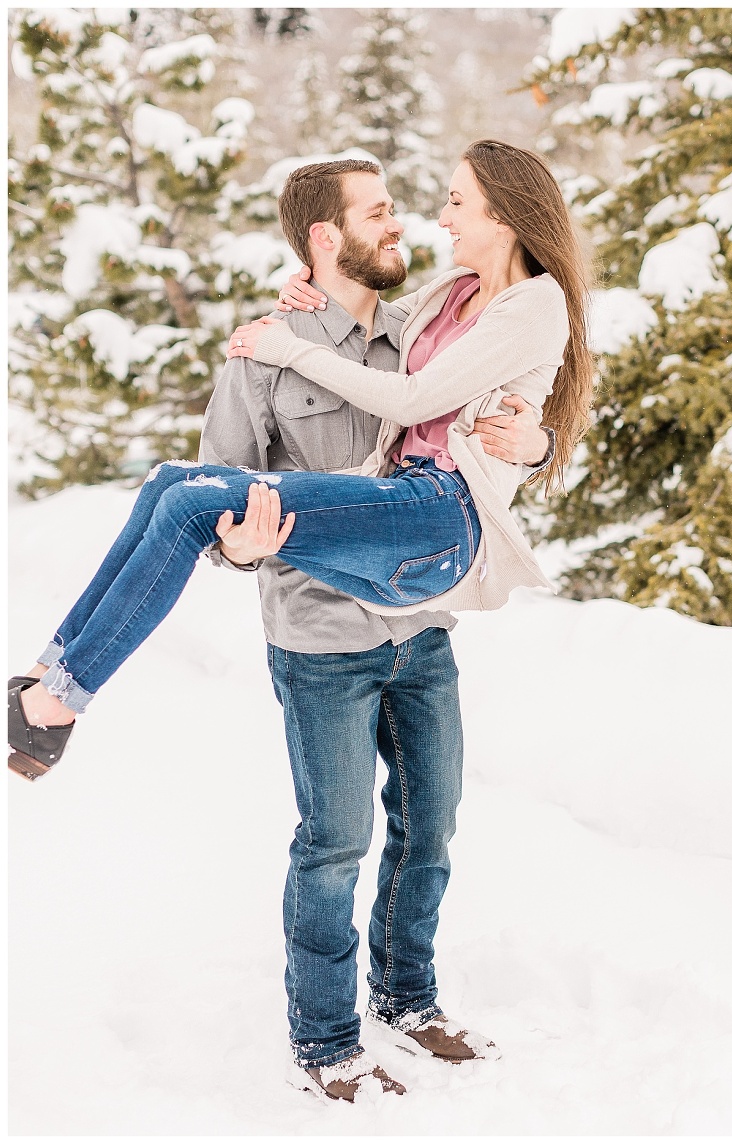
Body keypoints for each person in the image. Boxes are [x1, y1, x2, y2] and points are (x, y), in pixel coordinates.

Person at [8, 143, 593, 1101]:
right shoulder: (273, 350)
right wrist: (242, 549)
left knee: (429, 833)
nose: (413, 221)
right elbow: (218, 502)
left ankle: (408, 1001)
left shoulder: (416, 322)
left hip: (417, 617)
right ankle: (325, 1041)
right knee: (332, 845)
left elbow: (488, 394)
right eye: (380, 212)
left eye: (435, 204)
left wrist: (536, 442)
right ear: (326, 239)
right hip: (321, 637)